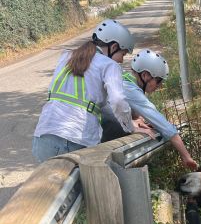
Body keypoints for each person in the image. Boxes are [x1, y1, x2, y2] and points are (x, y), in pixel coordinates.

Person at [33, 19, 153, 163]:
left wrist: (131, 120)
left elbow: (88, 101)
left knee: (52, 185)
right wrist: (130, 127)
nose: (121, 60)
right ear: (113, 47)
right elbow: (118, 101)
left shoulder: (66, 56)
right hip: (75, 139)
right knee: (85, 185)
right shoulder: (109, 65)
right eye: (123, 54)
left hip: (43, 137)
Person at [101, 48, 198, 170]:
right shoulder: (131, 89)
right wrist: (186, 156)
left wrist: (135, 119)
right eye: (158, 81)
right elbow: (165, 126)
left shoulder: (126, 80)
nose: (159, 86)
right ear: (145, 75)